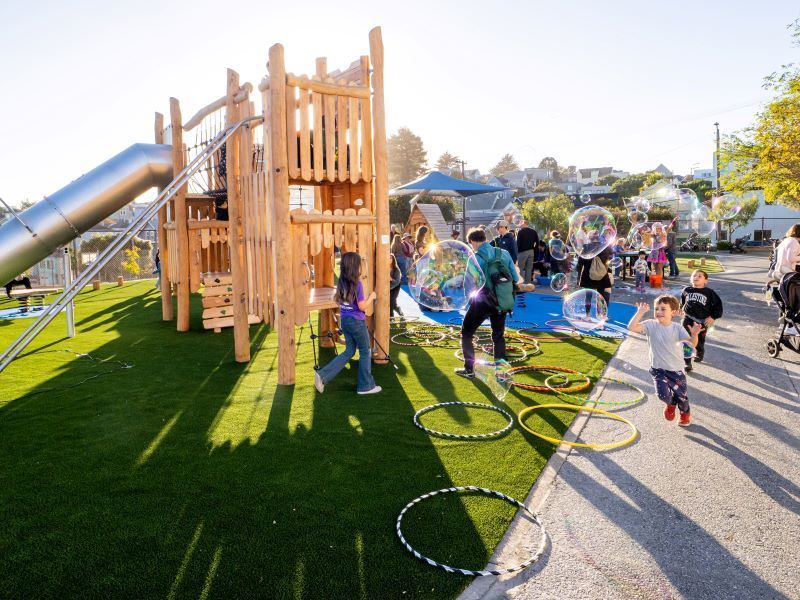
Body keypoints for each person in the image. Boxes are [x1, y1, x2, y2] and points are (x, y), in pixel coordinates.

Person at [455, 227, 523, 378]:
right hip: (502, 300)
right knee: (498, 335)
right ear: (484, 239)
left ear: (471, 241)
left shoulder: (475, 258)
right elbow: (515, 278)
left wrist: (470, 301)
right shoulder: (503, 253)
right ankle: (501, 373)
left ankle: (469, 369)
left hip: (483, 301)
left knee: (467, 332)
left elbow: (469, 284)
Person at [628, 296, 702, 427]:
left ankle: (685, 414)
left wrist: (695, 334)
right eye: (657, 309)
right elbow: (632, 327)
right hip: (658, 369)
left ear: (673, 312)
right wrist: (640, 312)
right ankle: (671, 403)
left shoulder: (677, 328)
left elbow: (691, 344)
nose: (658, 312)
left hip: (676, 370)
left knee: (682, 397)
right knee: (662, 395)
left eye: (663, 309)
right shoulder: (650, 324)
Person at [314, 252, 381, 395]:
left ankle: (322, 375)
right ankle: (366, 386)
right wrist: (372, 297)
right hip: (356, 322)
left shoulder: (342, 282)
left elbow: (338, 300)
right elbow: (362, 307)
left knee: (349, 351)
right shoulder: (357, 284)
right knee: (365, 350)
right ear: (355, 267)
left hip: (345, 321)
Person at [680, 269, 723, 372]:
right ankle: (687, 362)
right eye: (694, 275)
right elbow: (682, 302)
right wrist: (680, 309)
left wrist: (713, 317)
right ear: (691, 279)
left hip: (702, 321)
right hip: (687, 319)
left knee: (699, 340)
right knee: (686, 340)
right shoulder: (686, 290)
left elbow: (718, 306)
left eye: (700, 276)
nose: (696, 277)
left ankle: (699, 352)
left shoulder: (709, 292)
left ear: (706, 281)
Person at [515, 219, 539, 284]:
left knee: (520, 268)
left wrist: (517, 251)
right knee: (529, 269)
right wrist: (534, 250)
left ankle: (521, 283)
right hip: (531, 251)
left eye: (521, 224)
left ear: (524, 224)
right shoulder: (533, 231)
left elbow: (518, 243)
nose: (520, 225)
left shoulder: (521, 232)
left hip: (522, 252)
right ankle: (528, 284)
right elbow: (537, 242)